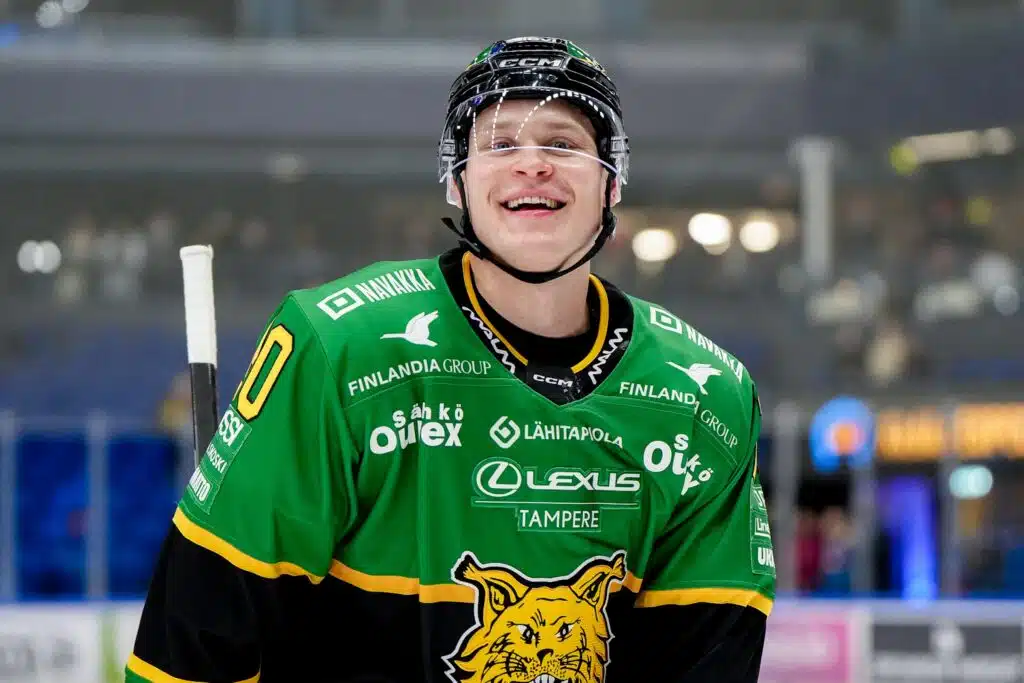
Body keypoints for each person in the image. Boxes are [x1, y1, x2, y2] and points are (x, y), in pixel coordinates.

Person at [126, 37, 774, 683]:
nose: (532, 164)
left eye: (562, 143)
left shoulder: (703, 398)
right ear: (458, 181)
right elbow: (192, 647)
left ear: (611, 182)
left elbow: (706, 661)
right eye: (499, 144)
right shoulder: (341, 348)